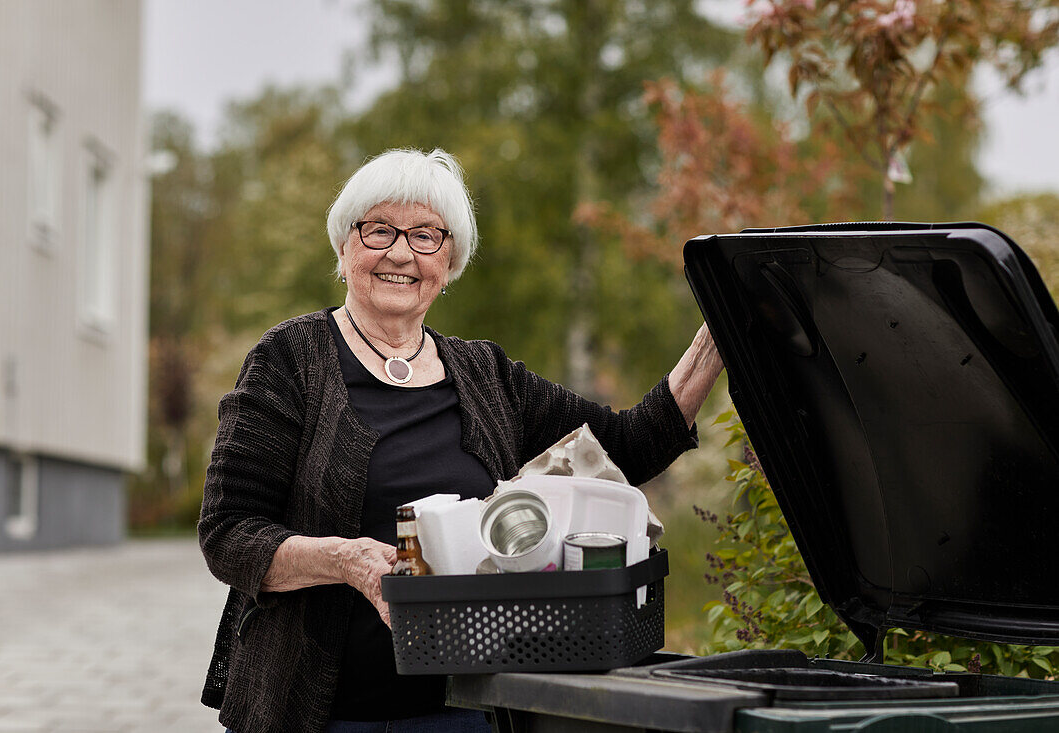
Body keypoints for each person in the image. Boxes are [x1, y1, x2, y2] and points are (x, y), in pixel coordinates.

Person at [198, 148, 725, 733]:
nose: (401, 252)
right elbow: (229, 534)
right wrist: (348, 560)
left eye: (426, 236)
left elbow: (630, 443)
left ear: (448, 264)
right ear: (344, 249)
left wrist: (719, 333)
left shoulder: (485, 375)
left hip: (466, 710)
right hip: (319, 714)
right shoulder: (290, 361)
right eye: (379, 230)